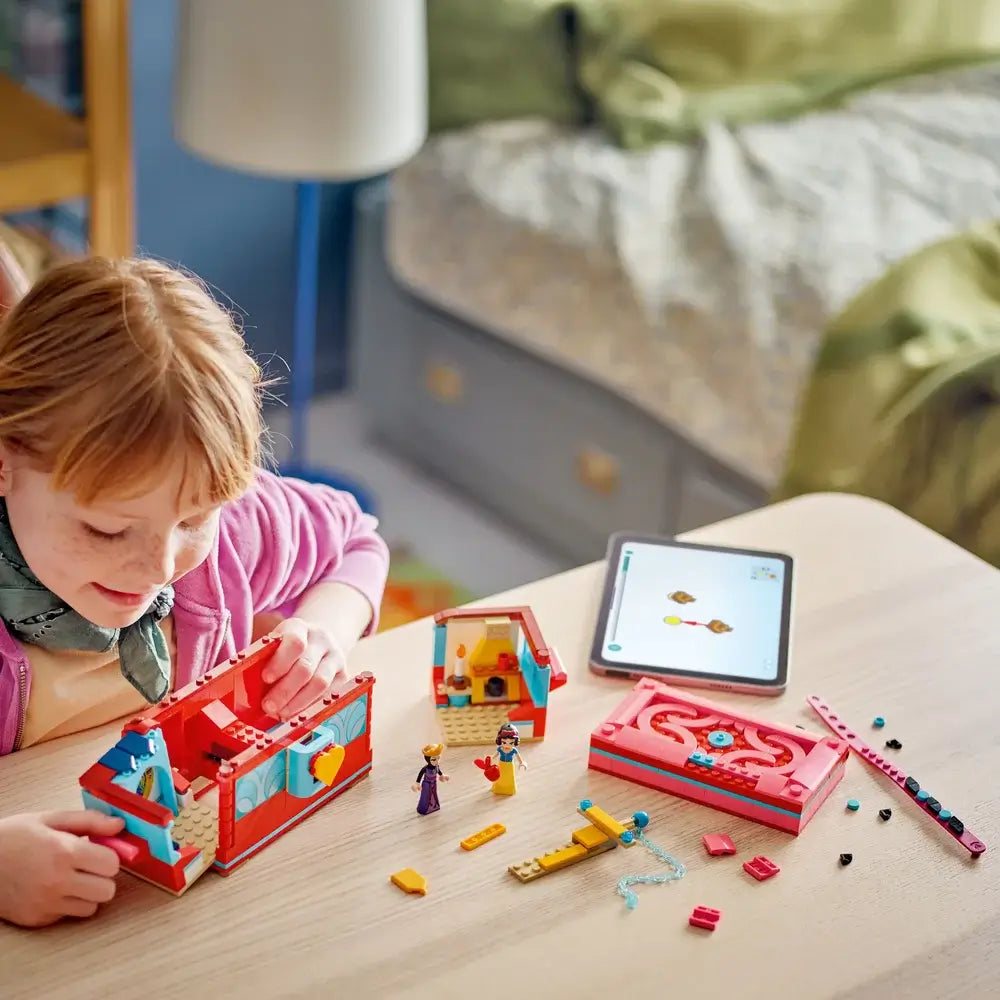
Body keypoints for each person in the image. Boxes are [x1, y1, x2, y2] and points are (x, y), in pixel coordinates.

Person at [0, 255, 389, 928]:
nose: (157, 566)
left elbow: (358, 541)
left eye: (193, 519)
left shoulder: (231, 530)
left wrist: (325, 627)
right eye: (107, 529)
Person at [411, 743, 449, 815]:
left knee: (433, 795)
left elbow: (439, 772)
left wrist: (443, 776)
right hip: (427, 784)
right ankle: (424, 809)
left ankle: (434, 806)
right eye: (434, 759)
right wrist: (417, 784)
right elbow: (419, 776)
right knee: (426, 797)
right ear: (428, 759)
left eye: (438, 758)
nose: (437, 761)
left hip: (434, 783)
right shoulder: (425, 768)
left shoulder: (436, 767)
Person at [491, 723, 527, 796]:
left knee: (509, 778)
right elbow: (495, 755)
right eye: (504, 742)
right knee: (499, 777)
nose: (507, 745)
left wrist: (521, 763)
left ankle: (509, 789)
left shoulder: (513, 750)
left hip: (509, 766)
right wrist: (490, 758)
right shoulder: (500, 749)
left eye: (511, 743)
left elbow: (519, 758)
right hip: (501, 765)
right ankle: (498, 788)